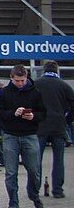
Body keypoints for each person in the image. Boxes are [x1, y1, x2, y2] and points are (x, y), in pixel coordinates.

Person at [0, 64, 47, 208]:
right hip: (10, 135)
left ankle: (33, 193)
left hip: (30, 134)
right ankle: (13, 202)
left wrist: (33, 116)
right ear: (11, 78)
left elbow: (43, 112)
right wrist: (13, 113)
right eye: (17, 81)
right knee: (11, 172)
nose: (20, 83)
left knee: (34, 169)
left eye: (22, 80)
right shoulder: (4, 93)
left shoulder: (35, 92)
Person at [35, 60, 74, 199]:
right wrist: (66, 120)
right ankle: (58, 190)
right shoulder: (64, 86)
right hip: (58, 126)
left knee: (36, 159)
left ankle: (35, 189)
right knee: (59, 159)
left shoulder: (36, 83)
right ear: (57, 70)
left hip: (40, 126)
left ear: (44, 70)